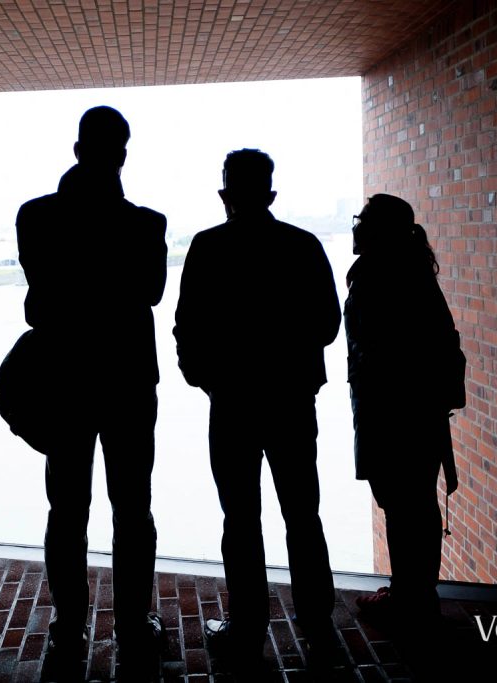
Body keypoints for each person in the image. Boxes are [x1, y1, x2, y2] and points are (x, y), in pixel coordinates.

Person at [173, 149, 342, 671]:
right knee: (303, 515)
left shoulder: (207, 248)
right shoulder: (303, 245)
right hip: (292, 402)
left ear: (225, 193)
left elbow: (187, 330)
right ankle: (318, 627)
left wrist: (210, 381)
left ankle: (247, 625)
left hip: (232, 403)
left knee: (240, 518)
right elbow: (329, 325)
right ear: (271, 193)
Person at [15, 106, 167, 681]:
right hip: (128, 380)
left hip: (65, 379)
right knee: (133, 508)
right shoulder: (147, 225)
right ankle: (132, 623)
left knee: (66, 507)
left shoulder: (35, 217)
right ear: (122, 155)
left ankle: (68, 624)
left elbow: (41, 292)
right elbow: (149, 292)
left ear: (77, 149)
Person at [343, 194, 461, 641]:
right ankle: (417, 597)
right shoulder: (411, 269)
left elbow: (375, 352)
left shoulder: (378, 273)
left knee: (401, 505)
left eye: (360, 219)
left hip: (390, 411)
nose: (354, 226)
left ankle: (408, 601)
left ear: (376, 229)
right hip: (418, 411)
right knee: (417, 506)